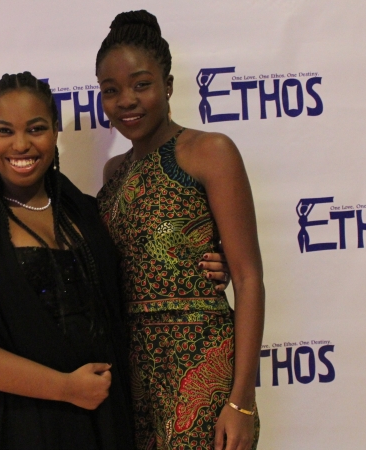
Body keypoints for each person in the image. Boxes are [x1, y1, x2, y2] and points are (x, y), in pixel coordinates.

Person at [0, 72, 135, 450]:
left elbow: (132, 285)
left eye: (36, 128)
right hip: (18, 429)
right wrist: (65, 388)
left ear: (55, 130)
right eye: (5, 131)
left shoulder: (89, 213)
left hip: (104, 425)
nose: (21, 145)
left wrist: (207, 268)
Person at [95, 10, 265, 450]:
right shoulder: (113, 173)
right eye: (111, 91)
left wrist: (241, 402)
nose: (126, 100)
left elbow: (248, 280)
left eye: (141, 84)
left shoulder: (210, 151)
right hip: (133, 378)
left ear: (167, 85)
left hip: (201, 369)